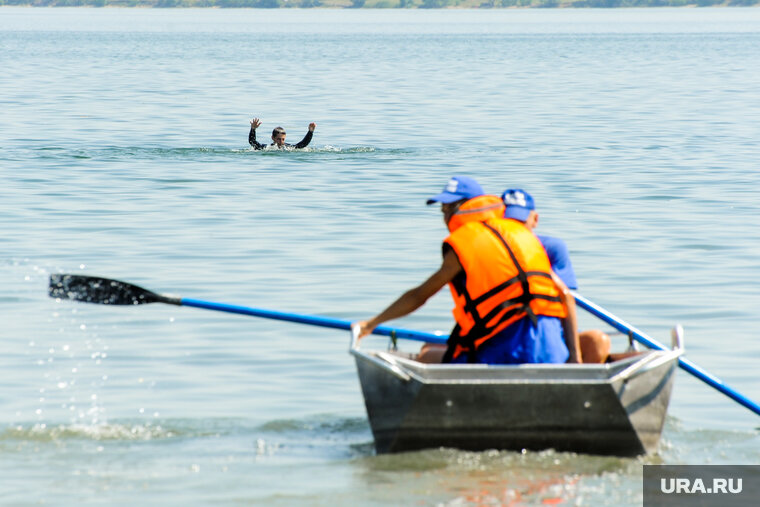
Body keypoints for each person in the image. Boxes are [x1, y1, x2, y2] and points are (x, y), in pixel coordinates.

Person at [355, 176, 581, 365]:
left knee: (438, 356)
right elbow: (566, 297)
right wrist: (575, 360)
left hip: (507, 352)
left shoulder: (464, 243)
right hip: (552, 350)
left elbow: (419, 296)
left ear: (470, 206)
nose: (446, 218)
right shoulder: (520, 234)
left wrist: (371, 323)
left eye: (450, 209)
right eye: (443, 210)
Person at [501, 188, 610, 363]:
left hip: (548, 335)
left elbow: (566, 301)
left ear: (535, 220)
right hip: (504, 334)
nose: (515, 228)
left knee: (597, 341)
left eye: (521, 221)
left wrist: (575, 356)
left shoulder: (552, 248)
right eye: (509, 222)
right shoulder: (491, 251)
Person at [248, 118, 316, 150]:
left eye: (283, 139)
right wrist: (253, 129)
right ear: (273, 138)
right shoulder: (267, 148)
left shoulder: (288, 148)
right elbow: (252, 142)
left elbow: (303, 144)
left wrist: (310, 132)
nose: (281, 142)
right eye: (278, 139)